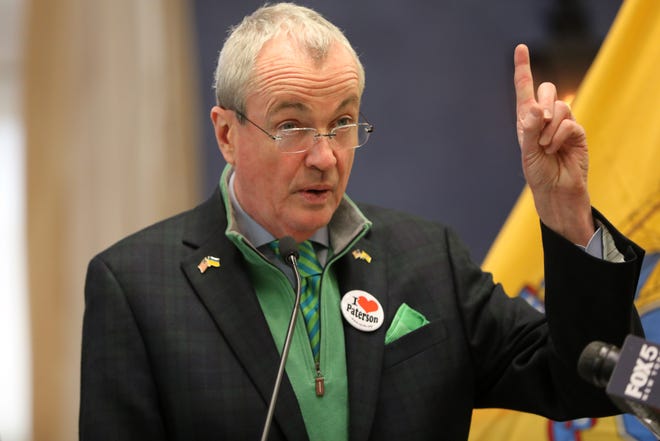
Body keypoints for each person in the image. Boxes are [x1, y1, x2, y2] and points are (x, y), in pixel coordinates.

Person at [79, 3, 645, 441]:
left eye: (343, 122)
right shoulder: (136, 287)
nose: (326, 156)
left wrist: (564, 208)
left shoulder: (427, 258)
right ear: (227, 133)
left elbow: (592, 385)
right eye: (293, 126)